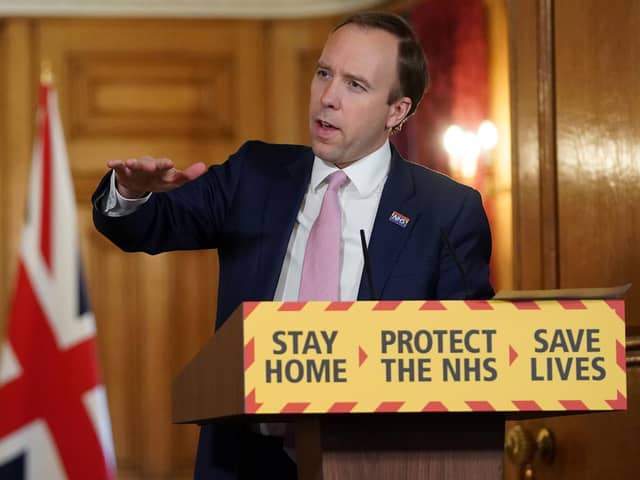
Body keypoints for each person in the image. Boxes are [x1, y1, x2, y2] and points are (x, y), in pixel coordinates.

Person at [92, 11, 493, 480]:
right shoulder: (254, 175)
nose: (327, 97)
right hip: (246, 461)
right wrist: (132, 193)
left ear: (397, 111)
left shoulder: (446, 210)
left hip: (379, 461)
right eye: (324, 73)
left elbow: (470, 359)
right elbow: (148, 225)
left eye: (355, 86)